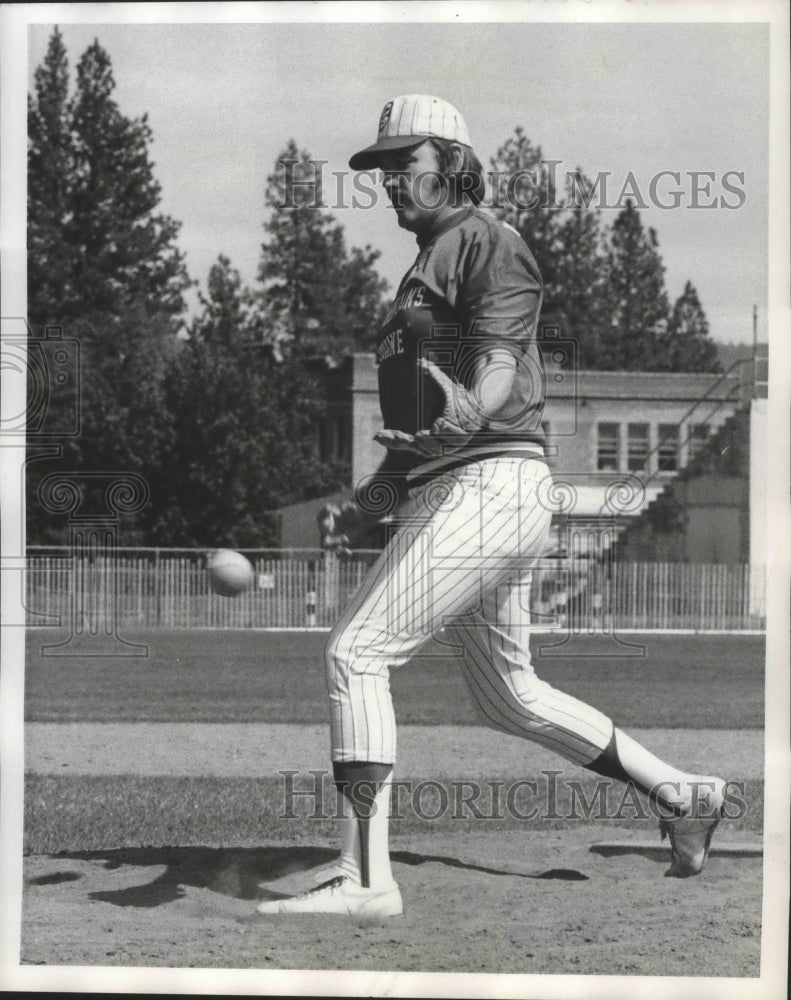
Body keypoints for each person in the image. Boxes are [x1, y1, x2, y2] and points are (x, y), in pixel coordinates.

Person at [256, 94, 726, 918]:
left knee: (356, 653)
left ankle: (364, 879)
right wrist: (362, 507)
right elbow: (412, 440)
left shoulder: (489, 243)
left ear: (453, 165)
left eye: (406, 163)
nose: (390, 181)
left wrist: (476, 402)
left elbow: (500, 362)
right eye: (381, 169)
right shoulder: (418, 272)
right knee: (508, 695)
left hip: (489, 485)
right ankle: (680, 793)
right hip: (460, 487)